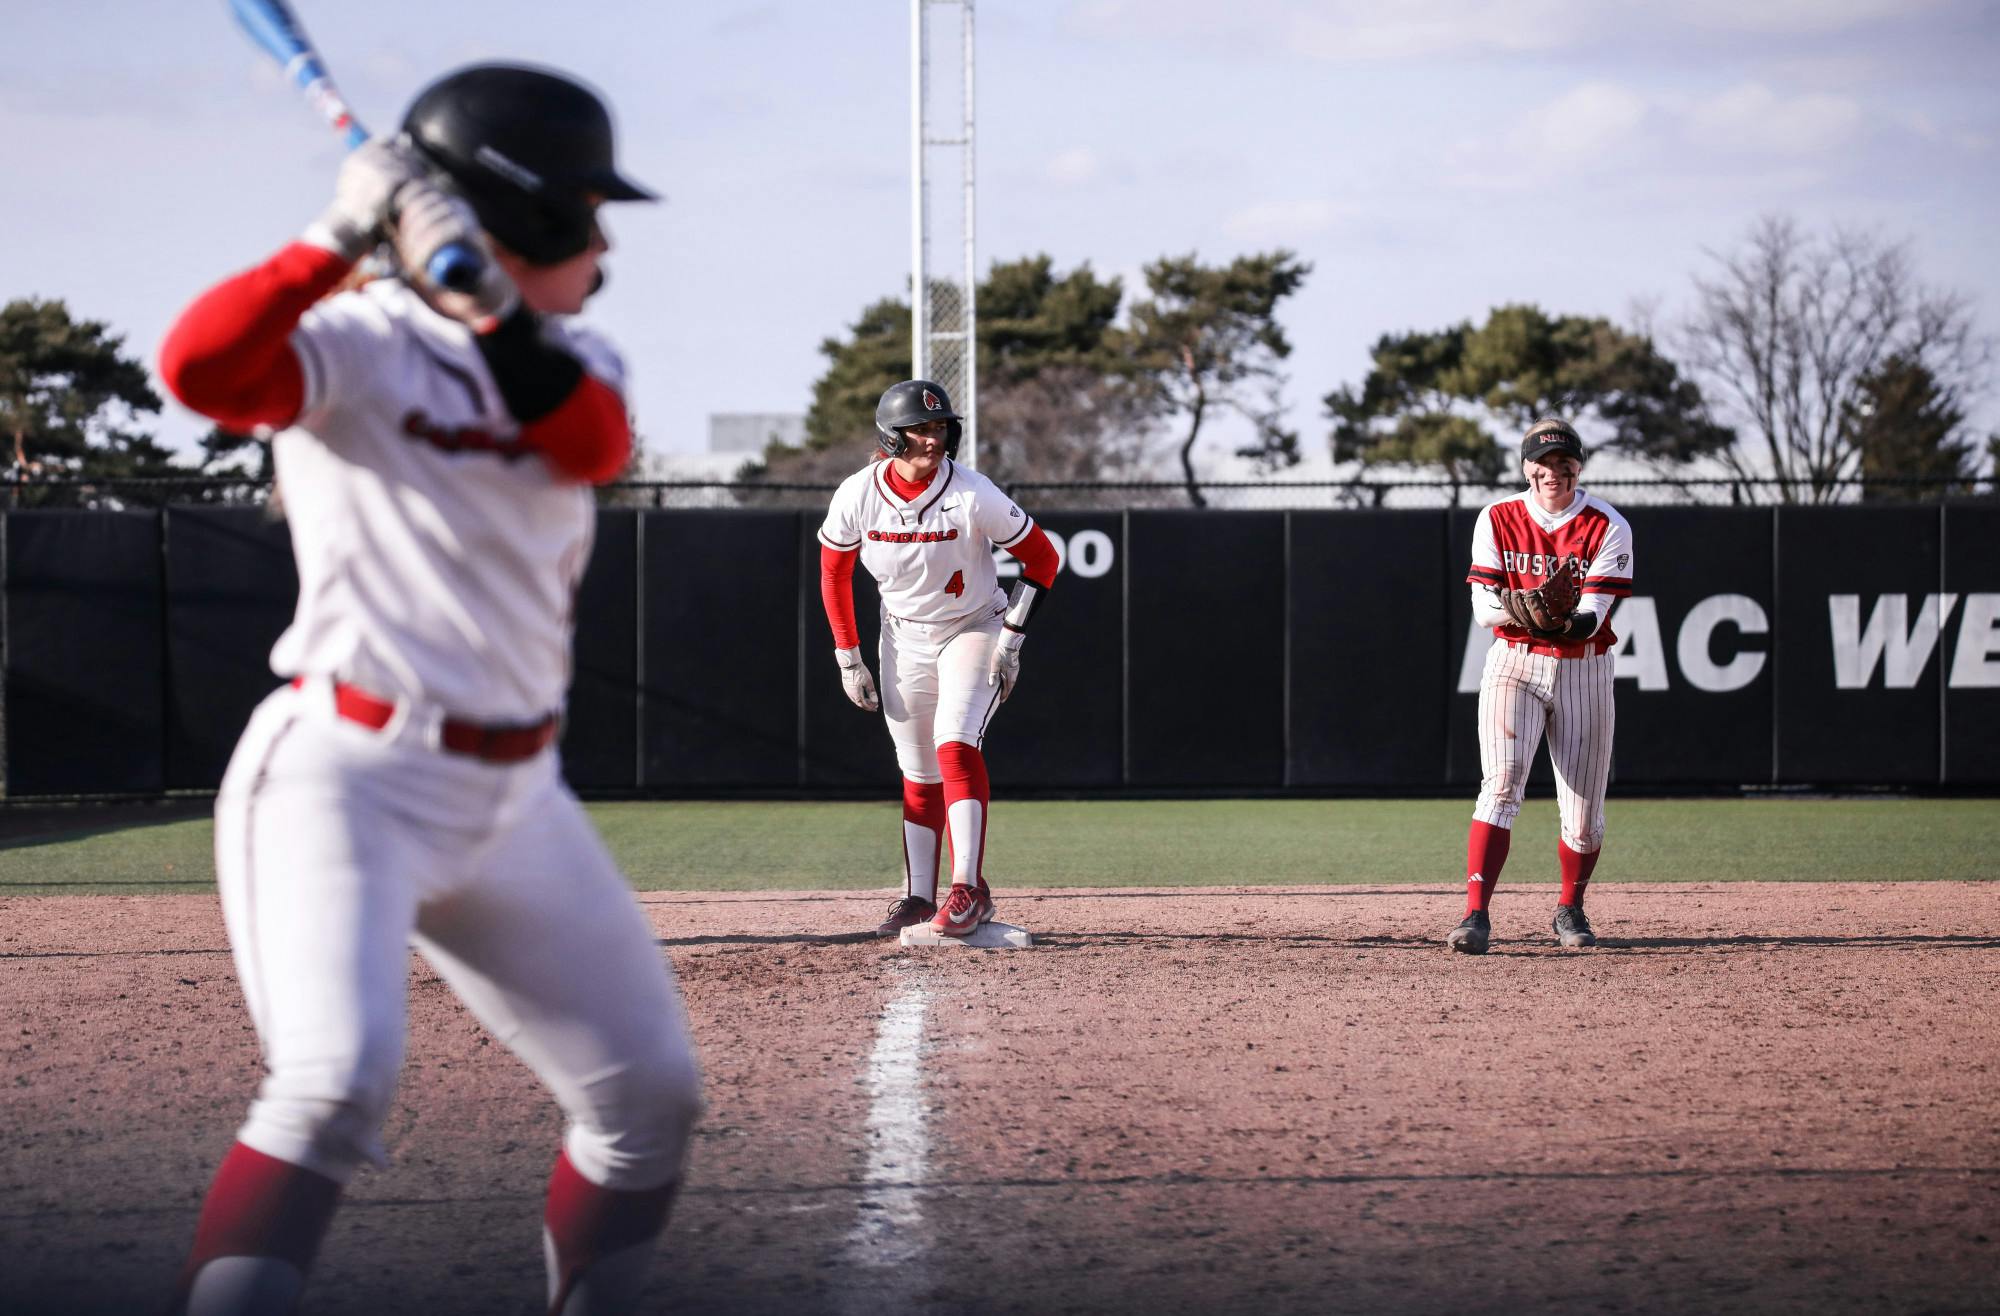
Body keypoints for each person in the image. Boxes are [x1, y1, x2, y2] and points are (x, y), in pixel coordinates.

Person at [155, 64, 700, 1314]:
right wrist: (334, 236)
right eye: (584, 208)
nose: (606, 238)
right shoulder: (353, 345)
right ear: (530, 215)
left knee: (647, 1099)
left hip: (513, 796)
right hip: (344, 771)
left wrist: (485, 300)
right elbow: (200, 370)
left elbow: (586, 443)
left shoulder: (580, 355)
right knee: (332, 1079)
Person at [818, 380, 1062, 938]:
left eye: (940, 428)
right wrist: (847, 657)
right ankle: (916, 898)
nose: (933, 439)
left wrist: (1012, 639)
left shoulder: (972, 492)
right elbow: (834, 572)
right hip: (901, 636)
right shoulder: (858, 493)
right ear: (890, 436)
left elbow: (1042, 559)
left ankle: (969, 891)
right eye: (920, 430)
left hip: (973, 627)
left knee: (954, 743)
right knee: (917, 771)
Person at [1450, 417, 1634, 955]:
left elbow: (1594, 615)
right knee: (1501, 785)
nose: (1554, 472)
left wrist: (1562, 621)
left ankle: (1570, 907)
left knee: (1583, 814)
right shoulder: (1499, 516)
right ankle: (1475, 914)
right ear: (1527, 467)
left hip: (1583, 668)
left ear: (1578, 468)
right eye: (1544, 462)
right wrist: (1522, 611)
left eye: (1565, 463)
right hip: (1514, 661)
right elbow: (1483, 608)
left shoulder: (1607, 525)